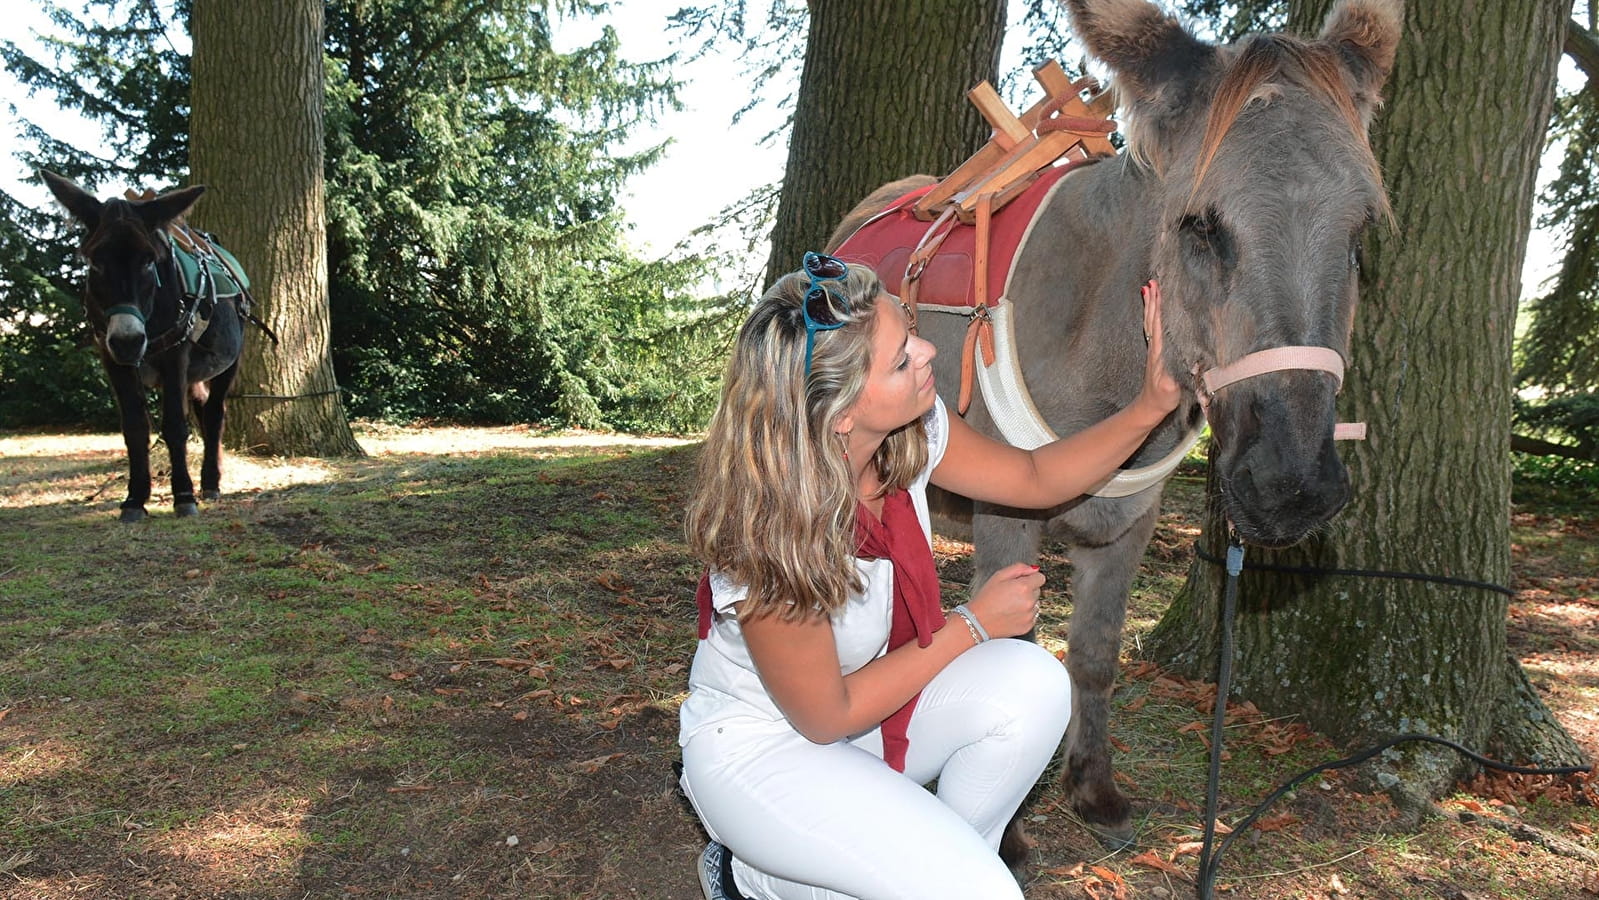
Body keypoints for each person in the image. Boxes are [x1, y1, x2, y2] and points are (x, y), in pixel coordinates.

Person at [678, 251, 1182, 900]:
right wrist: (972, 626)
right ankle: (754, 876)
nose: (927, 353)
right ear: (838, 416)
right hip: (765, 752)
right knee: (985, 893)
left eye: (907, 330)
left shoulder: (907, 431)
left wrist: (1152, 403)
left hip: (871, 715)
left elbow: (1033, 478)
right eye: (900, 360)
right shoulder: (768, 533)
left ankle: (888, 868)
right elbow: (826, 716)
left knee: (1030, 683)